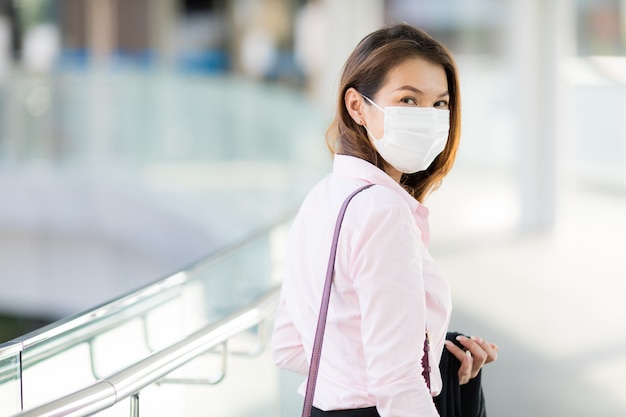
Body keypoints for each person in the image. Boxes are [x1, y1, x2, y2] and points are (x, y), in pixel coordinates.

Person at [271, 23, 498, 417]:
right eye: (408, 100)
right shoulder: (384, 212)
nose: (428, 118)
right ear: (357, 106)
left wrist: (429, 353)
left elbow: (290, 346)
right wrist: (408, 368)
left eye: (440, 104)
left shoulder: (322, 199)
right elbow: (397, 384)